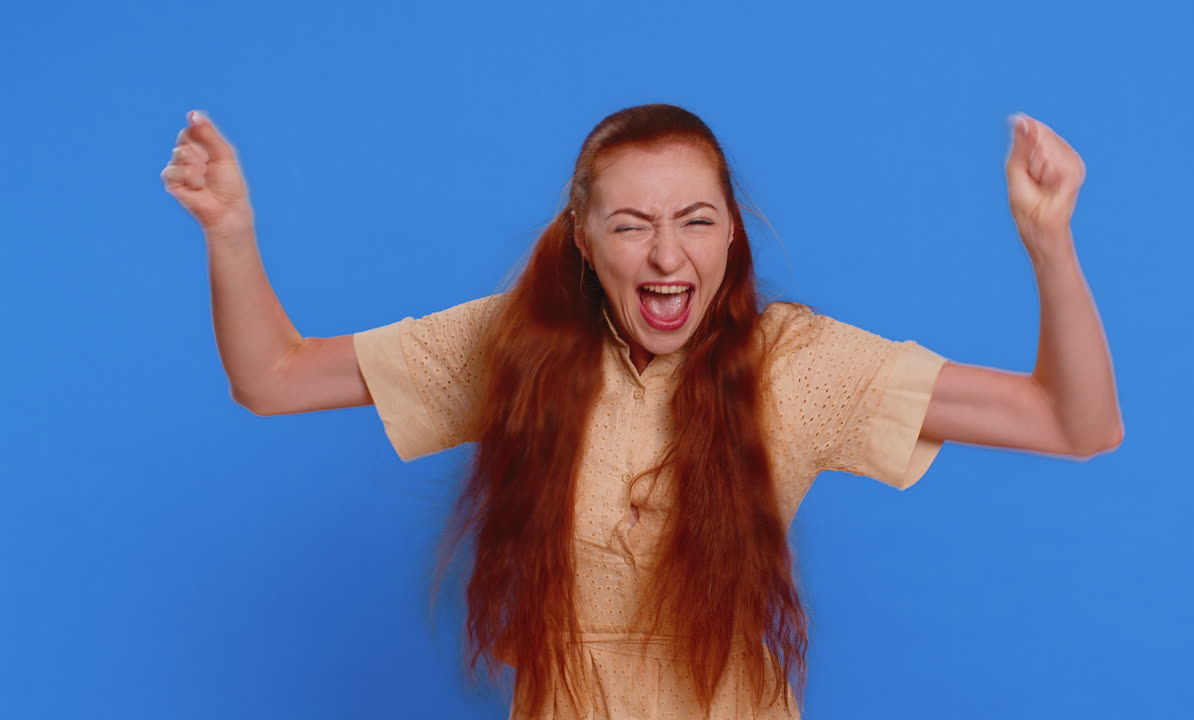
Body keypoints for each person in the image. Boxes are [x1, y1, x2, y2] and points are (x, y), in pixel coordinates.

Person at [161, 103, 1122, 719]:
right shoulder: (516, 347)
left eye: (696, 220)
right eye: (631, 225)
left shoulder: (799, 364)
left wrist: (1050, 244)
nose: (668, 256)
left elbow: (1074, 425)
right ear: (582, 238)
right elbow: (274, 378)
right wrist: (230, 230)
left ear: (731, 230)